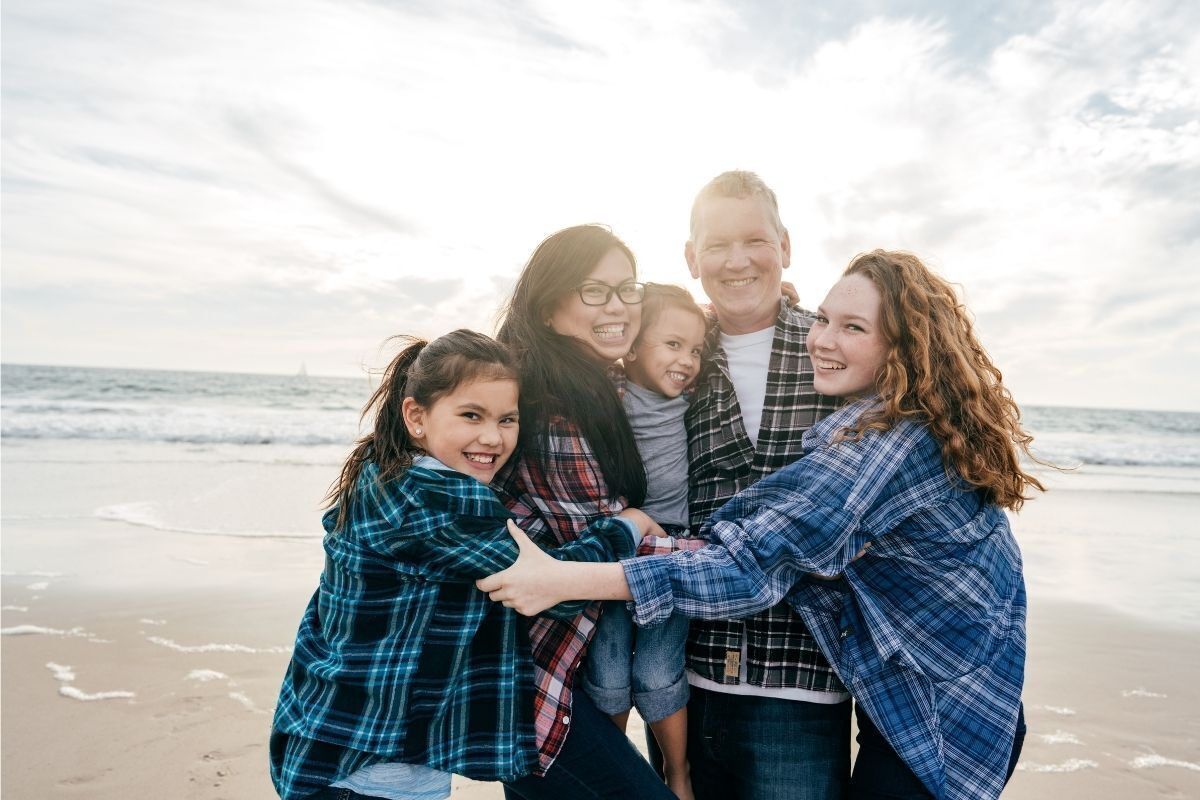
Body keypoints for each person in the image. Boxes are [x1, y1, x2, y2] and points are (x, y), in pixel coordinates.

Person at [478, 249, 1036, 800]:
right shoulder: (903, 420)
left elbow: (744, 568)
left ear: (903, 348)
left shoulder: (887, 448)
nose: (820, 340)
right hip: (918, 692)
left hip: (944, 721)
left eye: (854, 328)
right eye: (821, 319)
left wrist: (560, 577)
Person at [268, 329, 639, 800]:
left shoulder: (383, 474)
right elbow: (551, 586)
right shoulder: (439, 497)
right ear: (415, 416)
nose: (492, 436)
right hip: (366, 771)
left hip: (328, 744)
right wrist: (629, 524)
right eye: (471, 415)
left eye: (508, 419)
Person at [677, 170, 850, 798]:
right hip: (685, 678)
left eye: (754, 239)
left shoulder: (835, 349)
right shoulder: (673, 357)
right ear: (691, 258)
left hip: (804, 680)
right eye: (717, 245)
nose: (737, 260)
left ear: (785, 246)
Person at [493, 225, 676, 800]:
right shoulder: (548, 401)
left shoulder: (596, 382)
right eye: (594, 291)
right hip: (534, 677)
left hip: (557, 669)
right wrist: (727, 555)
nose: (618, 306)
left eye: (628, 289)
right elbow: (596, 547)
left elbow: (674, 352)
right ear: (549, 309)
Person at [582, 283, 708, 800]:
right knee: (609, 671)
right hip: (616, 545)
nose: (687, 360)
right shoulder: (606, 393)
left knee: (657, 671)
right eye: (672, 345)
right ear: (632, 347)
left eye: (696, 349)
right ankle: (615, 775)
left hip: (673, 550)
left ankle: (678, 775)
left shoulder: (695, 398)